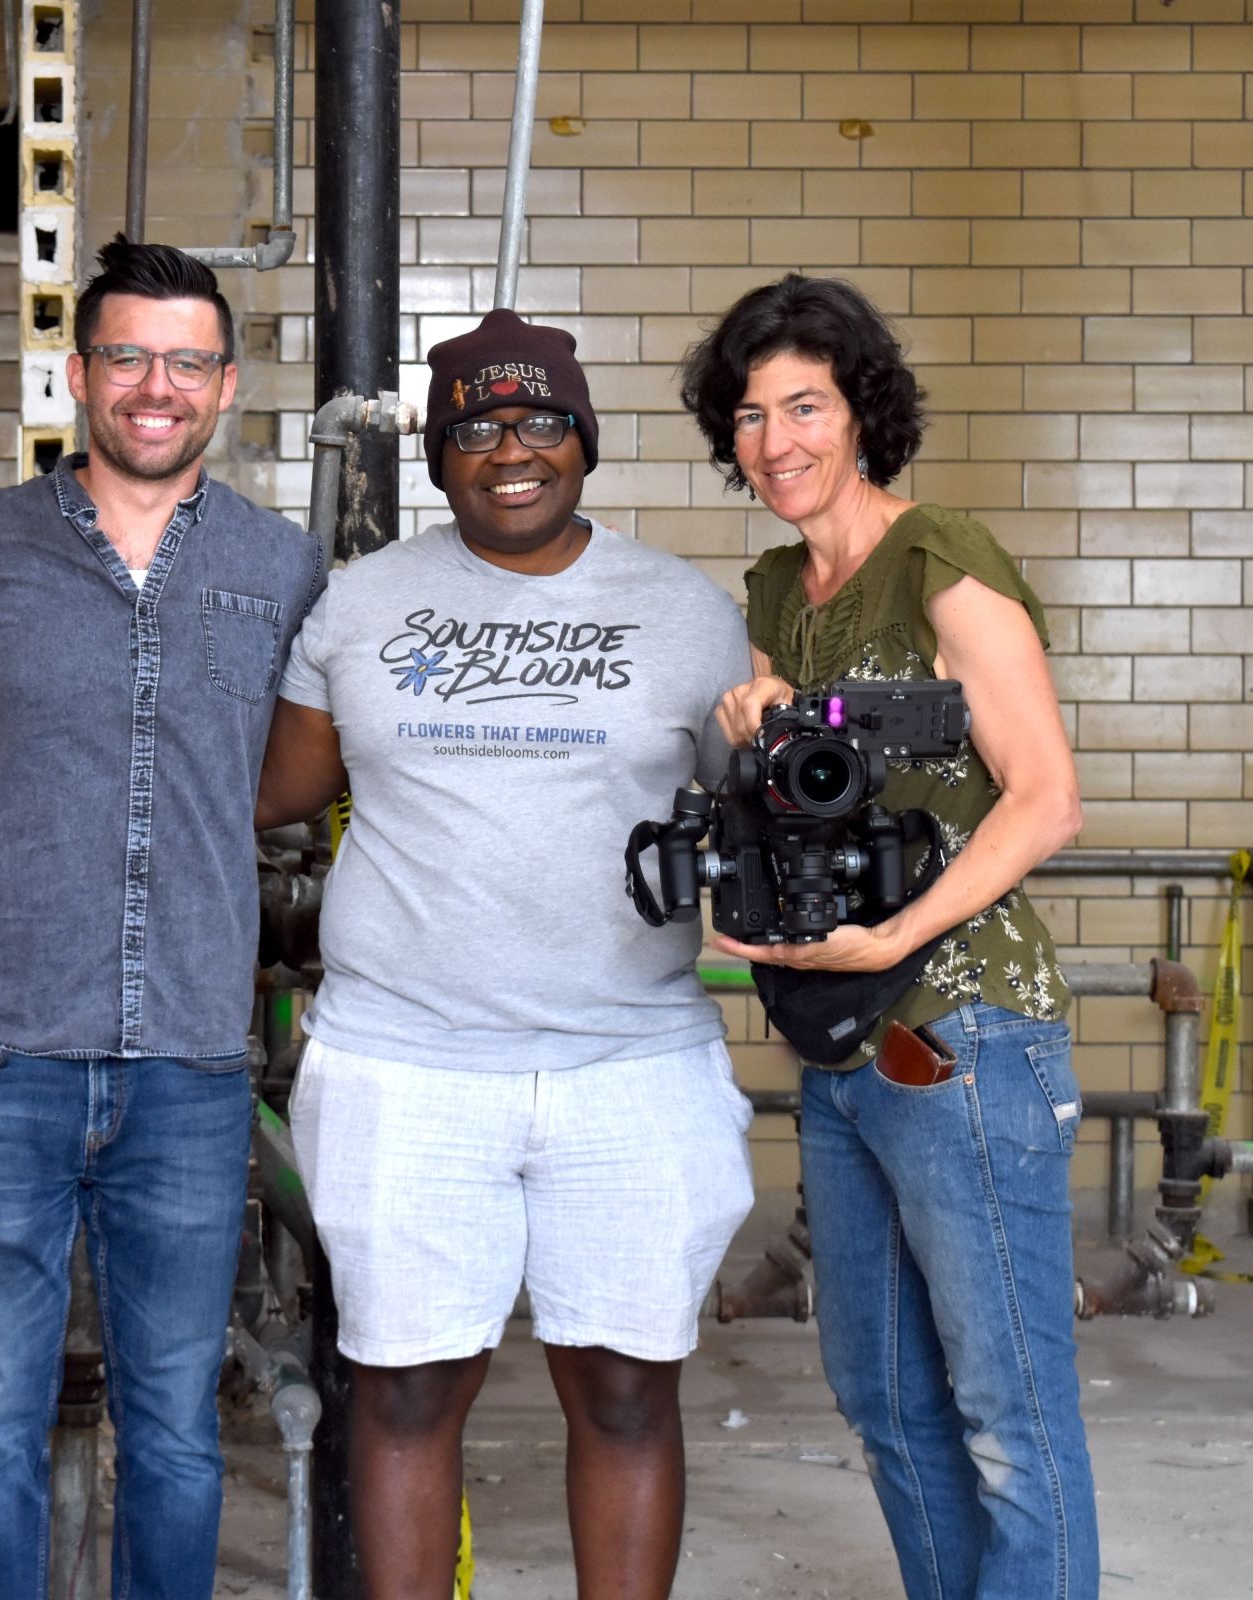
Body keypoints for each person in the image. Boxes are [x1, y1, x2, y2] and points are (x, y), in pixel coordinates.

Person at [256, 308, 757, 1600]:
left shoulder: (688, 615)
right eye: (478, 427)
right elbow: (271, 792)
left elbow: (754, 813)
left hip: (631, 1063)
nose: (513, 449)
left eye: (542, 421)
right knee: (409, 1385)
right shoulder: (362, 606)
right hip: (406, 1065)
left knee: (628, 1386)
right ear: (439, 455)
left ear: (584, 440)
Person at [0, 236, 322, 1600]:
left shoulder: (283, 568)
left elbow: (317, 768)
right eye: (127, 356)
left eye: (186, 361)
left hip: (191, 1061)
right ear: (78, 373)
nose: (156, 386)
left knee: (179, 1435)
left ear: (227, 386)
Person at [678, 273, 1092, 1599]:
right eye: (748, 416)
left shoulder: (941, 557)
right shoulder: (773, 588)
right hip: (842, 1035)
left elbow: (1047, 796)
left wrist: (899, 929)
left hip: (961, 1025)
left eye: (805, 405)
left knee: (1007, 1411)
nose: (776, 440)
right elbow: (808, 807)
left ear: (863, 413)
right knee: (884, 1396)